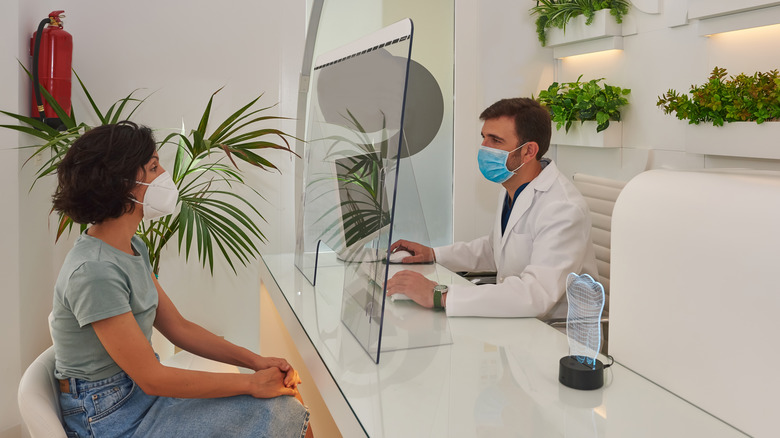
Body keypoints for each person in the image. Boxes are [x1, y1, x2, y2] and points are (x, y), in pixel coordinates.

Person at [50, 121, 311, 437]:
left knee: (286, 406)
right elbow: (152, 377)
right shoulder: (94, 271)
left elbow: (179, 328)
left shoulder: (131, 247)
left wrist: (256, 362)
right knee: (279, 411)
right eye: (154, 166)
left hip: (140, 395)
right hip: (110, 417)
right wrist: (251, 383)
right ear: (123, 184)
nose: (164, 176)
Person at [386, 98, 598, 318]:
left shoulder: (563, 208)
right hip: (517, 320)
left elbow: (536, 294)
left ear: (528, 151)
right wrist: (432, 253)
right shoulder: (513, 187)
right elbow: (494, 249)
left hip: (555, 334)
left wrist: (440, 295)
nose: (484, 148)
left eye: (495, 140)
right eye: (484, 138)